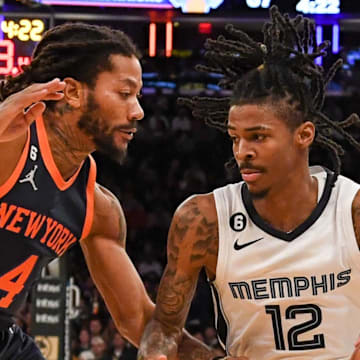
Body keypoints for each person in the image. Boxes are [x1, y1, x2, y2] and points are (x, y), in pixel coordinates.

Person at [138, 6, 360, 360]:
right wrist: (155, 351)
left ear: (303, 135)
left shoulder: (351, 210)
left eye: (258, 137)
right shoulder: (203, 220)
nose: (243, 152)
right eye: (235, 138)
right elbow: (165, 328)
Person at [0, 23, 230, 360]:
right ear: (74, 92)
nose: (138, 110)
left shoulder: (98, 206)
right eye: (124, 94)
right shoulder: (11, 144)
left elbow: (140, 319)